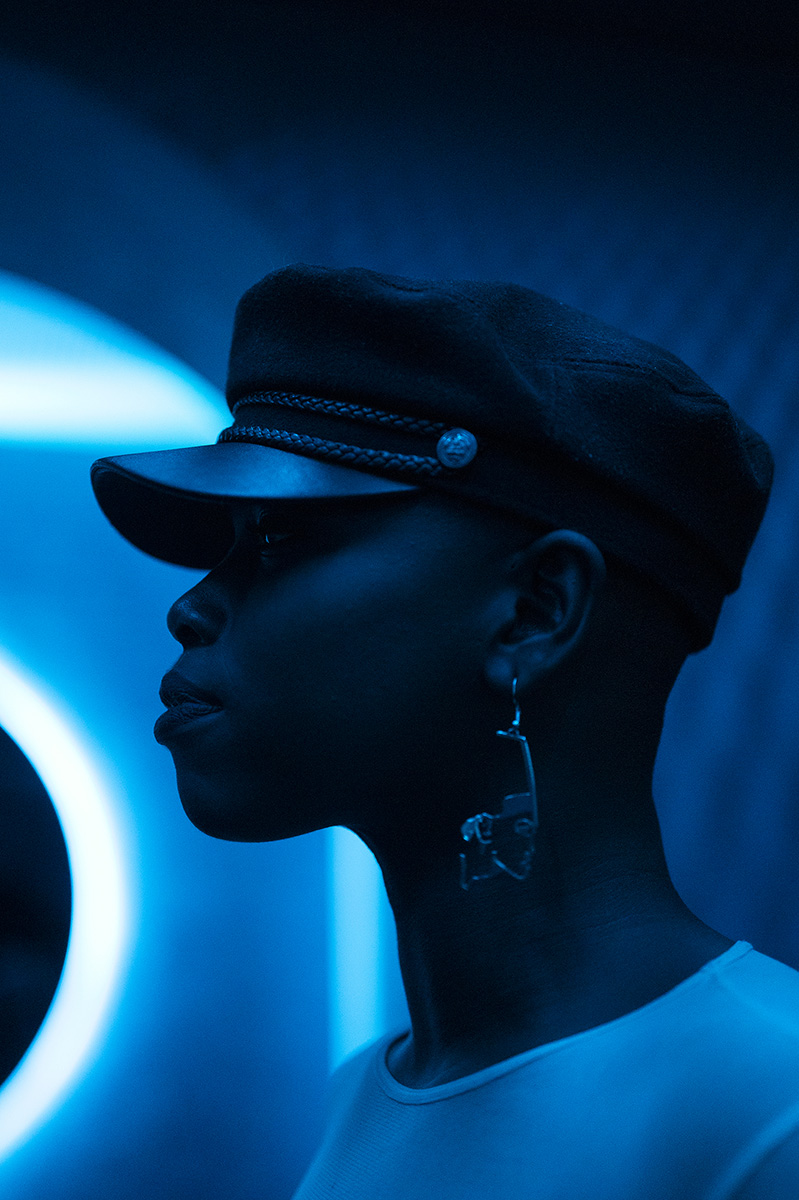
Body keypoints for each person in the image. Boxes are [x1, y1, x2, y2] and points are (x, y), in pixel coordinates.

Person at [91, 264, 799, 1198]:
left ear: (534, 611)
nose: (190, 608)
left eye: (276, 539)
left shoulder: (769, 1107)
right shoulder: (365, 1094)